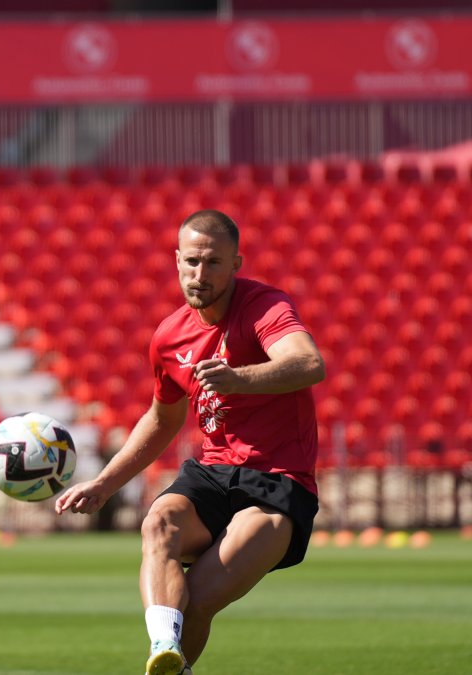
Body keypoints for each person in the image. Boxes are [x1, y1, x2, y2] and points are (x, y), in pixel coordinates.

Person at [56, 210, 325, 675]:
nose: (201, 274)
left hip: (278, 484)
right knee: (158, 523)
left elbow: (308, 364)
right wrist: (103, 484)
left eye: (215, 263)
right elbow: (162, 421)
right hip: (213, 474)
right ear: (177, 261)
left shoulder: (265, 306)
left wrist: (239, 379)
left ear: (236, 263)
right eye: (193, 262)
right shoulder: (168, 337)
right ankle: (165, 649)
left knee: (197, 599)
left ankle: (174, 655)